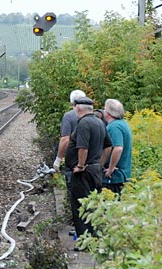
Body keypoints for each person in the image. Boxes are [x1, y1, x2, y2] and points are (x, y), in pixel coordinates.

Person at [65, 96, 112, 239]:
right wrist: (100, 164)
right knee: (92, 205)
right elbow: (108, 145)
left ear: (78, 108)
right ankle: (93, 237)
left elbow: (83, 147)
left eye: (74, 107)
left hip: (84, 173)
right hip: (95, 170)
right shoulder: (99, 122)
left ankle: (84, 240)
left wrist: (80, 165)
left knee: (81, 206)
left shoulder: (84, 123)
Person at [102, 98, 133, 197]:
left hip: (114, 176)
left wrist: (110, 169)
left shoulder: (114, 127)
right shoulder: (123, 123)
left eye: (105, 109)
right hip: (121, 173)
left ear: (109, 112)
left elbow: (118, 148)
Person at [53, 89, 86, 173]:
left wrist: (58, 159)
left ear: (72, 102)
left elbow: (65, 139)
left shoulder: (69, 116)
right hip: (91, 158)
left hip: (74, 157)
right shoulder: (95, 116)